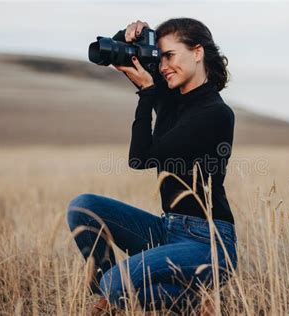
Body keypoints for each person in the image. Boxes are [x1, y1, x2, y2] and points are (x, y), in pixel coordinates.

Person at [66, 17, 237, 315]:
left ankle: (118, 292)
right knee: (83, 207)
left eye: (169, 56)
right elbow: (113, 54)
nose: (163, 66)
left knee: (117, 283)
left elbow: (141, 158)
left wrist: (147, 94)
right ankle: (185, 300)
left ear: (197, 53)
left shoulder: (216, 114)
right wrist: (131, 34)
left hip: (208, 243)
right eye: (160, 58)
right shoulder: (170, 92)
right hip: (166, 228)